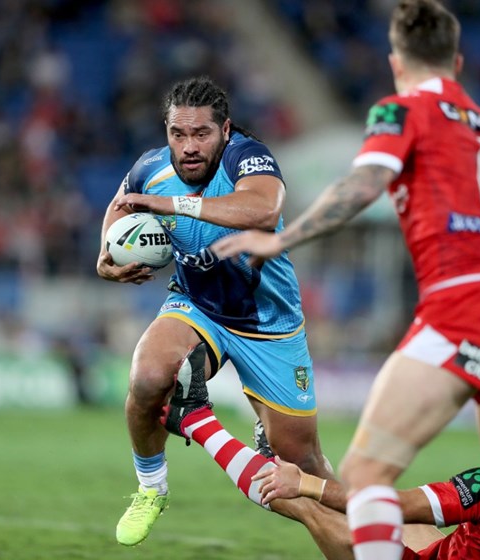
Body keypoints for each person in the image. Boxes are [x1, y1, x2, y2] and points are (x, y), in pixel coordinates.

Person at [211, 2, 480, 559]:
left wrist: (280, 239)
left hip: (460, 304)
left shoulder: (401, 110)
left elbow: (364, 184)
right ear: (458, 61)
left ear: (395, 61)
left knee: (366, 474)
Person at [96, 76, 333, 547]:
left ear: (224, 130)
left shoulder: (248, 156)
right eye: (177, 134)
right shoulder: (150, 168)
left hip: (269, 326)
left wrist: (171, 204)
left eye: (201, 134)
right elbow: (119, 208)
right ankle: (151, 488)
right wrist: (105, 257)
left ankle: (371, 530)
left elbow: (263, 210)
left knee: (301, 465)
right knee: (148, 377)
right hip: (196, 306)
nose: (187, 146)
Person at [162, 366, 480, 559]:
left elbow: (390, 506)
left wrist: (308, 485)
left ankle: (196, 419)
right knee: (347, 497)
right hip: (441, 552)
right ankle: (283, 460)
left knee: (304, 500)